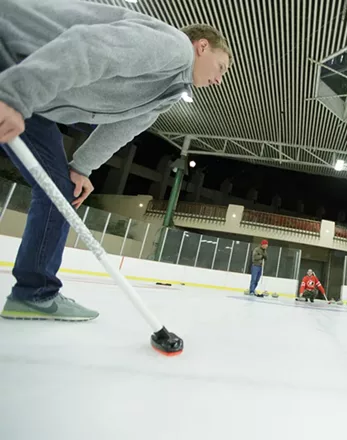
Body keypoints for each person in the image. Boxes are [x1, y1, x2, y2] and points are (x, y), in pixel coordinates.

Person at [0, 0, 233, 321]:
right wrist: (14, 95)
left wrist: (81, 167)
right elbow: (88, 47)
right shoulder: (172, 47)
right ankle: (34, 292)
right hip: (10, 53)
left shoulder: (164, 92)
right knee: (54, 191)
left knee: (59, 188)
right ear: (202, 47)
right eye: (221, 68)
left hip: (30, 96)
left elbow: (121, 128)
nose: (219, 80)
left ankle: (34, 294)